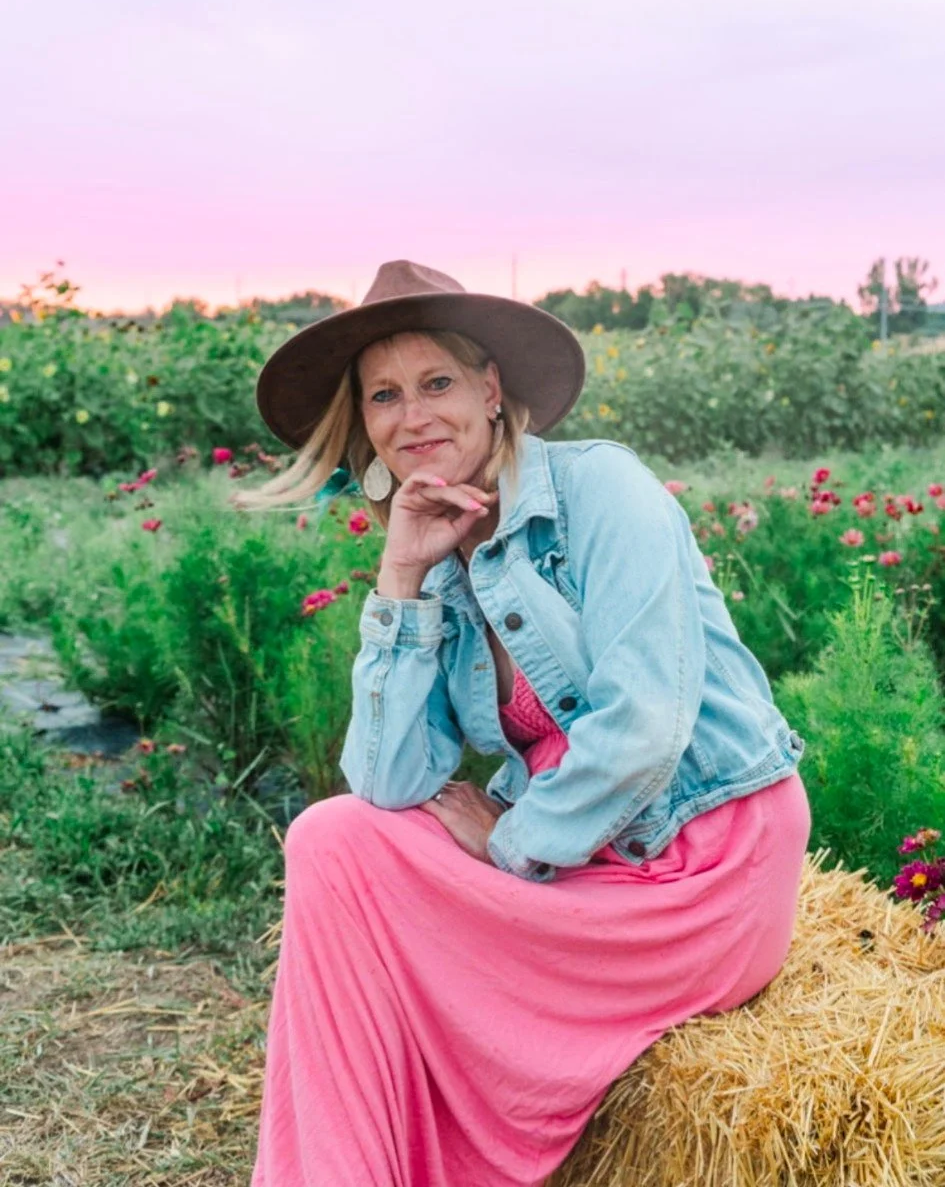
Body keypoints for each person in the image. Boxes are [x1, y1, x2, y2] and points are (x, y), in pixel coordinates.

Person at [237, 260, 812, 1187]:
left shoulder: (602, 490)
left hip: (699, 863)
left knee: (360, 877)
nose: (412, 415)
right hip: (580, 863)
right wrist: (401, 579)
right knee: (333, 840)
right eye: (384, 396)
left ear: (491, 390)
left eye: (437, 383)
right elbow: (387, 782)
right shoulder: (435, 545)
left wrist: (512, 843)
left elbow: (644, 725)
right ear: (367, 425)